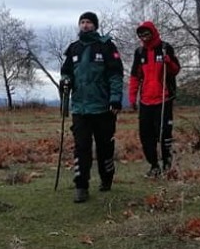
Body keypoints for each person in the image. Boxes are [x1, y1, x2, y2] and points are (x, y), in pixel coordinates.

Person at [60, 11, 124, 203]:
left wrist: (115, 99)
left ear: (95, 26)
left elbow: (115, 75)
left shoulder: (106, 46)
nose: (85, 25)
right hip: (80, 108)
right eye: (82, 22)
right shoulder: (73, 48)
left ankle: (106, 178)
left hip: (103, 108)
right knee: (81, 147)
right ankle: (81, 186)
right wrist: (65, 82)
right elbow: (66, 72)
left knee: (105, 146)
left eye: (89, 22)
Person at [128, 21, 181, 178]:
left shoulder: (165, 48)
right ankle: (154, 165)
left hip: (164, 100)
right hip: (145, 101)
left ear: (153, 32)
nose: (144, 37)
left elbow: (176, 70)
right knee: (146, 136)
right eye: (141, 35)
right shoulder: (139, 52)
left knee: (164, 134)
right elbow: (135, 77)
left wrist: (168, 62)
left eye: (146, 34)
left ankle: (167, 165)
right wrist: (132, 97)